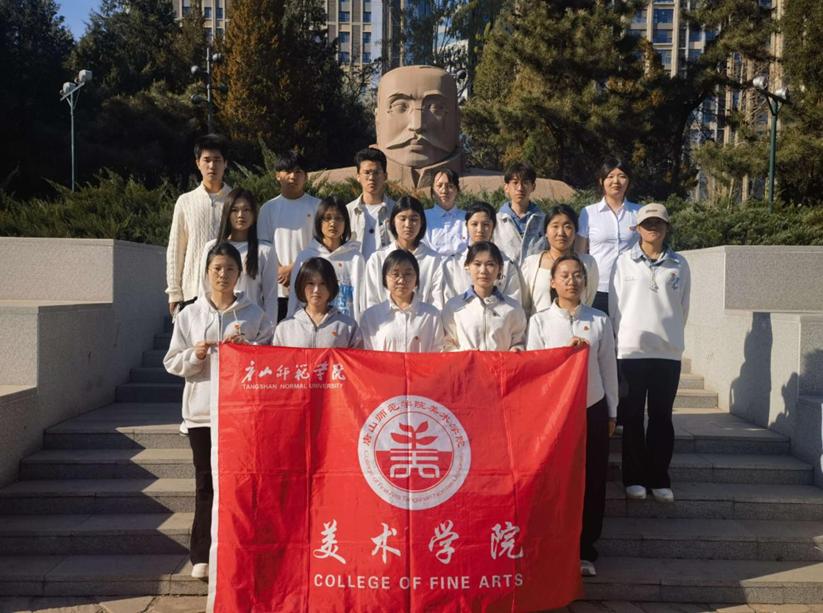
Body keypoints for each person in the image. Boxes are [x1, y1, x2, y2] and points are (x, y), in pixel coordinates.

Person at [163, 242, 273, 580]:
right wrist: (195, 356)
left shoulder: (254, 314)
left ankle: (240, 549)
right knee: (205, 483)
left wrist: (247, 350)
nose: (223, 275)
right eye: (217, 269)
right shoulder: (189, 314)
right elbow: (171, 361)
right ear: (207, 273)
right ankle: (202, 555)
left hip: (242, 413)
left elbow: (270, 358)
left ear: (239, 274)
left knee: (241, 484)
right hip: (201, 413)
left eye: (229, 269)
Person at [526, 254, 618, 578]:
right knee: (556, 481)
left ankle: (585, 549)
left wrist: (612, 411)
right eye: (564, 275)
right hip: (555, 413)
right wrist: (566, 352)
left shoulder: (599, 320)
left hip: (592, 407)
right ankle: (553, 548)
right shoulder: (539, 322)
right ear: (552, 282)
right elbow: (535, 369)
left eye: (577, 275)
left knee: (592, 479)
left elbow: (608, 368)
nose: (571, 281)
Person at [609, 203, 690, 504]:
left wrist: (672, 337)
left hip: (667, 353)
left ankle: (659, 478)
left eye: (658, 223)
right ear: (637, 229)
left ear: (667, 227)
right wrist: (621, 340)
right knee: (631, 417)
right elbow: (615, 306)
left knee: (661, 417)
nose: (652, 228)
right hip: (631, 351)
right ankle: (634, 478)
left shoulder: (679, 264)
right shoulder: (623, 262)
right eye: (647, 223)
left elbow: (683, 307)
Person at [165, 134, 232, 316]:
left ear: (225, 163)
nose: (212, 166)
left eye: (217, 160)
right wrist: (174, 292)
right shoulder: (185, 201)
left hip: (228, 291)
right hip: (192, 290)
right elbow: (176, 249)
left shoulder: (235, 200)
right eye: (207, 160)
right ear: (197, 163)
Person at [198, 188, 279, 324]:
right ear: (227, 213)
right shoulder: (211, 248)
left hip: (251, 324)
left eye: (246, 210)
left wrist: (269, 331)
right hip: (217, 322)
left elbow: (270, 298)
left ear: (254, 214)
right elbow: (203, 290)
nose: (241, 215)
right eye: (235, 210)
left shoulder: (265, 251)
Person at [257, 151, 320, 322]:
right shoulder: (268, 209)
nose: (293, 176)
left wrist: (294, 268)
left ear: (306, 176)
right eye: (288, 171)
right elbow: (263, 245)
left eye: (298, 171)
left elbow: (320, 244)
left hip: (309, 286)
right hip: (276, 289)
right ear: (278, 175)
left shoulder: (317, 206)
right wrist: (279, 271)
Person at [575, 157, 640, 315]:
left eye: (622, 176)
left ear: (629, 181)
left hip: (631, 286)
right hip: (597, 287)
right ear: (601, 181)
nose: (616, 181)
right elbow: (579, 253)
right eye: (610, 176)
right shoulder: (588, 213)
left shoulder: (639, 212)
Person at [287, 197, 366, 320]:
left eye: (338, 218)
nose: (333, 223)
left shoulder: (355, 258)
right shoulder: (306, 257)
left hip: (346, 326)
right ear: (319, 222)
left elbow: (363, 299)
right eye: (327, 218)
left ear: (346, 223)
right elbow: (295, 297)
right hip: (312, 326)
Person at [442, 241, 526, 351]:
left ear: (500, 268)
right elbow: (446, 345)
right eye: (477, 264)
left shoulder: (513, 307)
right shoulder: (454, 307)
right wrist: (464, 356)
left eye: (490, 264)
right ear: (467, 266)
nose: (483, 271)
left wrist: (517, 349)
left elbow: (520, 341)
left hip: (502, 363)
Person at [364, 196, 444, 309]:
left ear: (422, 222)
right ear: (392, 221)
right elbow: (371, 301)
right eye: (402, 218)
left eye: (414, 219)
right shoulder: (377, 259)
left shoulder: (434, 260)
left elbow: (437, 302)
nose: (408, 224)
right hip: (384, 319)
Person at [521, 205, 599, 315]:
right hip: (539, 325)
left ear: (575, 232)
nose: (561, 232)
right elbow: (524, 304)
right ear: (546, 232)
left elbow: (588, 300)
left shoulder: (588, 263)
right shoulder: (531, 263)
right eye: (555, 226)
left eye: (567, 227)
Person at [360, 249, 444, 352]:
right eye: (395, 274)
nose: (401, 280)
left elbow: (438, 354)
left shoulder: (432, 315)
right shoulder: (371, 317)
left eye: (408, 274)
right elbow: (365, 356)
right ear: (384, 278)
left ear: (416, 278)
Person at [441, 201, 523, 304]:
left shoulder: (506, 264)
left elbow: (514, 302)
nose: (480, 230)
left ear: (494, 226)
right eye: (474, 224)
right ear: (466, 226)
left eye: (486, 224)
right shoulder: (452, 264)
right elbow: (448, 302)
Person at [274, 258, 362, 348]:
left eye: (323, 284)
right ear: (301, 285)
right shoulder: (285, 327)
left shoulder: (348, 326)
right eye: (310, 283)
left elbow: (357, 356)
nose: (316, 290)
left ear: (331, 286)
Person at [346, 148, 396, 260]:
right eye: (367, 172)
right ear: (358, 176)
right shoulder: (348, 211)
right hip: (357, 269)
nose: (371, 178)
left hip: (388, 269)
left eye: (376, 173)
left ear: (385, 176)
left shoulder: (396, 210)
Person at [495, 162, 547, 265]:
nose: (520, 188)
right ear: (506, 187)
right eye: (515, 183)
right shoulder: (496, 222)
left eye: (525, 182)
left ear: (533, 187)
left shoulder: (544, 221)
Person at [424, 168, 467, 256]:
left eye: (450, 186)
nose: (444, 191)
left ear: (457, 190)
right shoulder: (423, 217)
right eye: (439, 186)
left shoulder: (467, 218)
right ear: (432, 191)